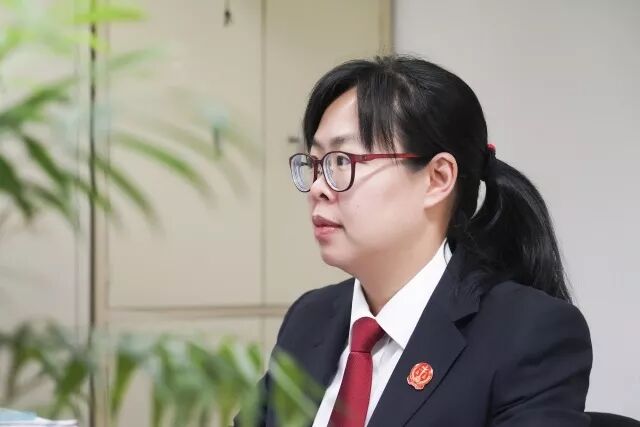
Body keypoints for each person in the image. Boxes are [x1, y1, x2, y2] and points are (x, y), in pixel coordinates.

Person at [239, 55, 592, 426]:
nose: (317, 188)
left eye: (342, 162)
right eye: (314, 164)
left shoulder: (526, 333)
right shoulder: (310, 318)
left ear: (437, 178)